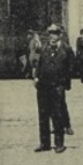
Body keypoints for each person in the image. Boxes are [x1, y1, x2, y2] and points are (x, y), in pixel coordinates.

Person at [33, 23, 74, 152]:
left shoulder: (66, 49)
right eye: (50, 33)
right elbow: (39, 64)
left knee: (57, 115)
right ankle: (44, 143)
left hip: (57, 86)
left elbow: (72, 66)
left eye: (55, 33)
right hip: (43, 86)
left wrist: (64, 81)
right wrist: (36, 77)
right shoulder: (44, 48)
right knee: (43, 115)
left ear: (60, 35)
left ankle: (59, 143)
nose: (52, 36)